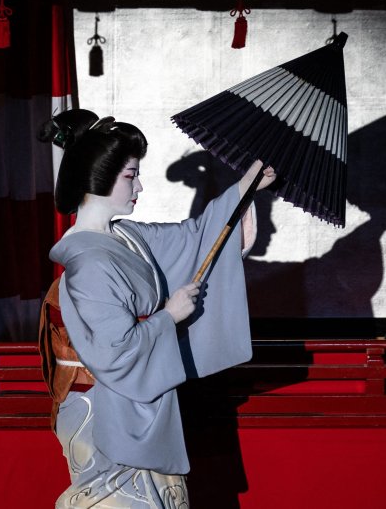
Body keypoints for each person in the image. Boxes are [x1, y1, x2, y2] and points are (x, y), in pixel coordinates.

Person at [35, 109, 276, 508]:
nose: (140, 186)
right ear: (98, 178)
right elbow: (114, 350)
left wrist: (246, 186)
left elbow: (195, 238)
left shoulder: (127, 236)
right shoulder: (89, 261)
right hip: (102, 404)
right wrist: (169, 316)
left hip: (135, 395)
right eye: (131, 175)